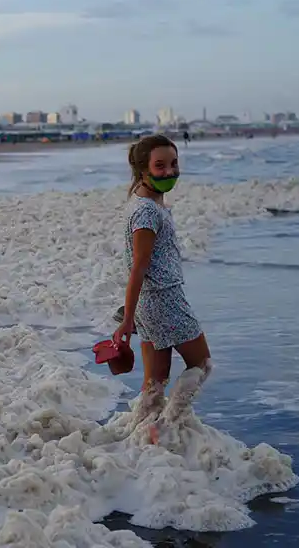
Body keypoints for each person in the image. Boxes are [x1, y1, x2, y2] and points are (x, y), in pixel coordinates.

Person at [112, 134, 214, 443]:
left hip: (151, 301)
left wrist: (134, 313)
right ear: (143, 169)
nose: (170, 172)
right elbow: (138, 267)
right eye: (160, 166)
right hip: (164, 299)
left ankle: (140, 434)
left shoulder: (146, 201)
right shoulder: (146, 212)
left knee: (155, 380)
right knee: (202, 364)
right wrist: (127, 319)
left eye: (174, 163)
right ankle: (165, 427)